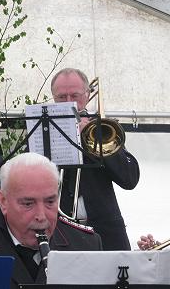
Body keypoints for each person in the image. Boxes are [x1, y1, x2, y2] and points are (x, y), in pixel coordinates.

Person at [0, 152, 102, 287]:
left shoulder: (86, 245)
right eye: (28, 203)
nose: (41, 216)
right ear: (3, 201)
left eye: (50, 202)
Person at [51, 68, 140, 251]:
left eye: (74, 95)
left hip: (105, 232)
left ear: (87, 95)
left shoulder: (103, 128)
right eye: (61, 97)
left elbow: (129, 178)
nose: (69, 102)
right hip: (59, 231)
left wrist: (96, 138)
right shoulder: (44, 129)